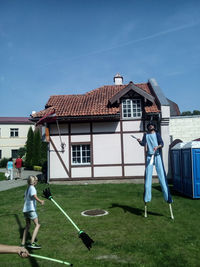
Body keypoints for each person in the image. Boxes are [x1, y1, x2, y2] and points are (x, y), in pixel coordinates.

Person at [137, 122, 172, 205]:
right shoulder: (146, 135)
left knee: (162, 177)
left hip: (157, 156)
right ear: (148, 127)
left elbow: (162, 144)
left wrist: (157, 147)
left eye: (152, 125)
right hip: (149, 157)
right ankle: (147, 198)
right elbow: (143, 144)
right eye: (149, 126)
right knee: (148, 177)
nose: (150, 126)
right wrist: (139, 141)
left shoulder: (157, 134)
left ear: (154, 127)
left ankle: (167, 198)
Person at [21, 175, 44, 249]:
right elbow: (34, 196)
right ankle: (32, 243)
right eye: (36, 180)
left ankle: (23, 243)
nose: (37, 182)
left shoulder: (27, 189)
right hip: (31, 210)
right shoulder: (32, 188)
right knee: (38, 225)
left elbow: (25, 197)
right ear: (33, 181)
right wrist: (40, 201)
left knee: (27, 226)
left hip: (25, 210)